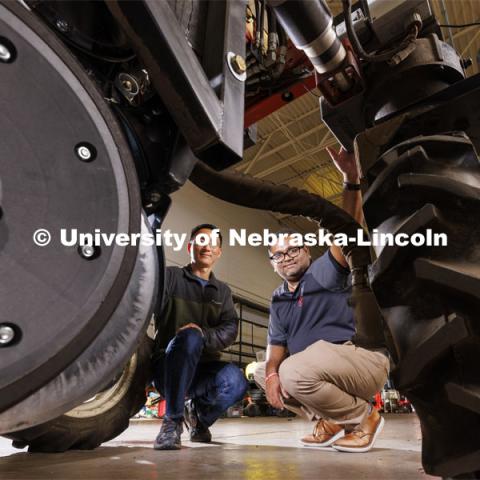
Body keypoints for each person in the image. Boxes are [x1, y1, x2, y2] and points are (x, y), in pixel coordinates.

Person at [254, 147, 390, 452]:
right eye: (278, 254)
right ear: (272, 263)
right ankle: (333, 419)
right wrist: (274, 373)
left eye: (294, 249)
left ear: (307, 251)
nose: (286, 257)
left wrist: (350, 181)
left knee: (292, 372)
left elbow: (344, 229)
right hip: (317, 370)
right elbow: (275, 350)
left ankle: (364, 417)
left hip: (360, 362)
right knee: (265, 372)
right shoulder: (278, 300)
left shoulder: (324, 271)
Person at [152, 224, 248, 450]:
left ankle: (198, 419)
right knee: (189, 338)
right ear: (190, 247)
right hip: (168, 368)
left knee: (237, 381)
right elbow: (144, 306)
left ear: (219, 252)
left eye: (213, 243)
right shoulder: (170, 277)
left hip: (202, 373)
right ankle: (172, 422)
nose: (207, 247)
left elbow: (230, 329)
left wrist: (203, 334)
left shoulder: (222, 292)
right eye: (201, 242)